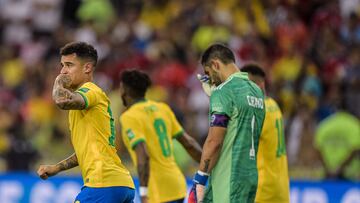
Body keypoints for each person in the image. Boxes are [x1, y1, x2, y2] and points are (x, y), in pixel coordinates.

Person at [36, 42, 135, 203]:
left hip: (103, 184)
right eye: (62, 65)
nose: (63, 71)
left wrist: (58, 81)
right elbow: (86, 150)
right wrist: (57, 168)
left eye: (69, 65)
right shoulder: (84, 106)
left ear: (87, 68)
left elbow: (61, 100)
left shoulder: (90, 91)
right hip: (121, 184)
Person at [189, 44, 266, 203]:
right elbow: (238, 125)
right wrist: (215, 97)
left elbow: (214, 141)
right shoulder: (257, 92)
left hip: (228, 177)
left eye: (208, 73)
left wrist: (200, 178)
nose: (209, 79)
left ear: (216, 64)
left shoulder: (224, 92)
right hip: (249, 176)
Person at [119, 69, 203, 203]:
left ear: (124, 90)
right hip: (177, 186)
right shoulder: (163, 108)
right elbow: (189, 143)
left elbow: (143, 155)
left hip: (157, 191)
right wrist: (209, 169)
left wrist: (144, 192)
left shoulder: (129, 117)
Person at [241, 64, 290, 203]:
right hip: (280, 189)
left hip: (262, 191)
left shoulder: (259, 111)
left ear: (260, 85)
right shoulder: (274, 105)